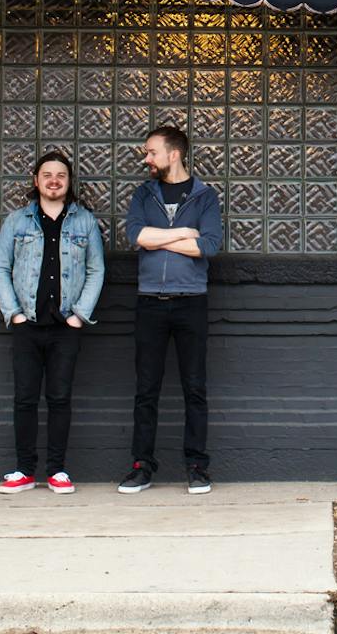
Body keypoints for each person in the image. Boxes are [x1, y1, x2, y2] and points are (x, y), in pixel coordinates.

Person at [0, 151, 106, 494]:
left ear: (69, 182)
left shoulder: (84, 221)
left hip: (65, 326)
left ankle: (57, 470)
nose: (54, 180)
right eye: (47, 174)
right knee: (25, 398)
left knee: (60, 398)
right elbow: (1, 267)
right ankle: (24, 470)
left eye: (61, 175)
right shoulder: (17, 221)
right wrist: (14, 314)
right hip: (27, 324)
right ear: (36, 180)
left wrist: (79, 317)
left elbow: (96, 269)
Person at [120, 124, 224, 494]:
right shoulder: (143, 194)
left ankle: (196, 466)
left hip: (191, 302)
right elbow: (136, 236)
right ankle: (141, 466)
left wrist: (161, 239)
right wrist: (185, 233)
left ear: (173, 153)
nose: (145, 158)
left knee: (194, 388)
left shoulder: (204, 196)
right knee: (146, 390)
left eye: (151, 152)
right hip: (150, 302)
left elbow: (209, 246)